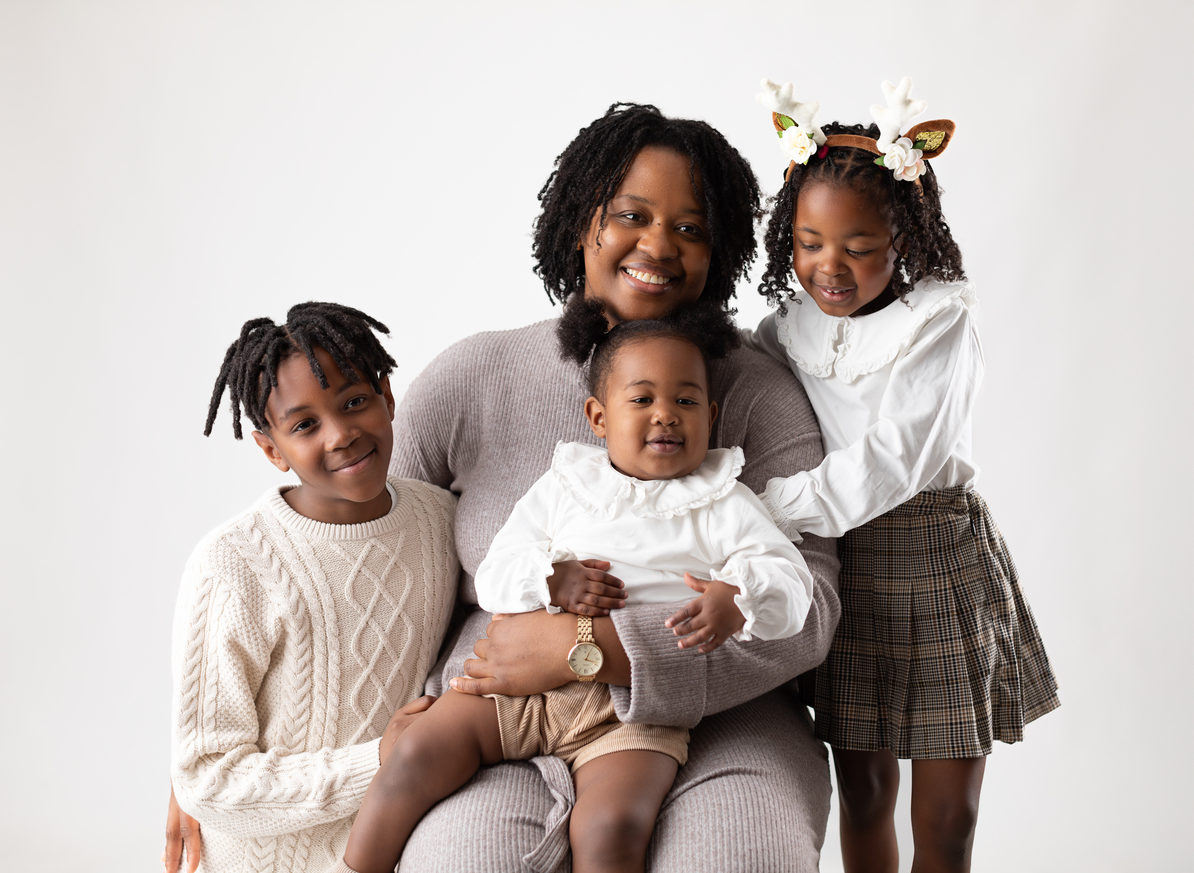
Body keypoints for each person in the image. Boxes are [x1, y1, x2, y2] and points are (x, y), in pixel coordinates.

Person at [168, 103, 842, 873]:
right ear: (580, 223)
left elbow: (810, 609)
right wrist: (215, 764)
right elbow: (358, 552)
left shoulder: (759, 396)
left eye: (690, 228)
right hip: (496, 708)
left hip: (726, 717)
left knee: (740, 858)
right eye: (631, 215)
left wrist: (592, 648)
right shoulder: (475, 376)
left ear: (717, 251)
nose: (658, 245)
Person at [335, 303, 816, 873]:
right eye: (642, 400)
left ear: (710, 416)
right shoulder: (565, 487)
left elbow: (792, 580)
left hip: (635, 709)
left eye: (686, 402)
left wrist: (738, 599)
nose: (666, 416)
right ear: (598, 417)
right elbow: (494, 574)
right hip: (515, 688)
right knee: (415, 753)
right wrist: (550, 578)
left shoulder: (723, 501)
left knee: (611, 827)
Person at [750, 79, 1060, 872]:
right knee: (862, 790)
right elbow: (756, 412)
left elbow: (896, 456)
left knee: (949, 814)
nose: (830, 265)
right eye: (809, 242)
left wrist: (776, 505)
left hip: (933, 553)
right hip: (844, 564)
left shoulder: (938, 319)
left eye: (858, 245)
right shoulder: (785, 329)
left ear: (904, 235)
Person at [168, 303, 460, 873]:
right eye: (304, 425)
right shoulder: (233, 563)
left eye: (354, 402)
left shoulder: (441, 521)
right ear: (271, 449)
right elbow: (205, 777)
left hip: (395, 851)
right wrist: (380, 760)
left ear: (387, 396)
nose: (341, 434)